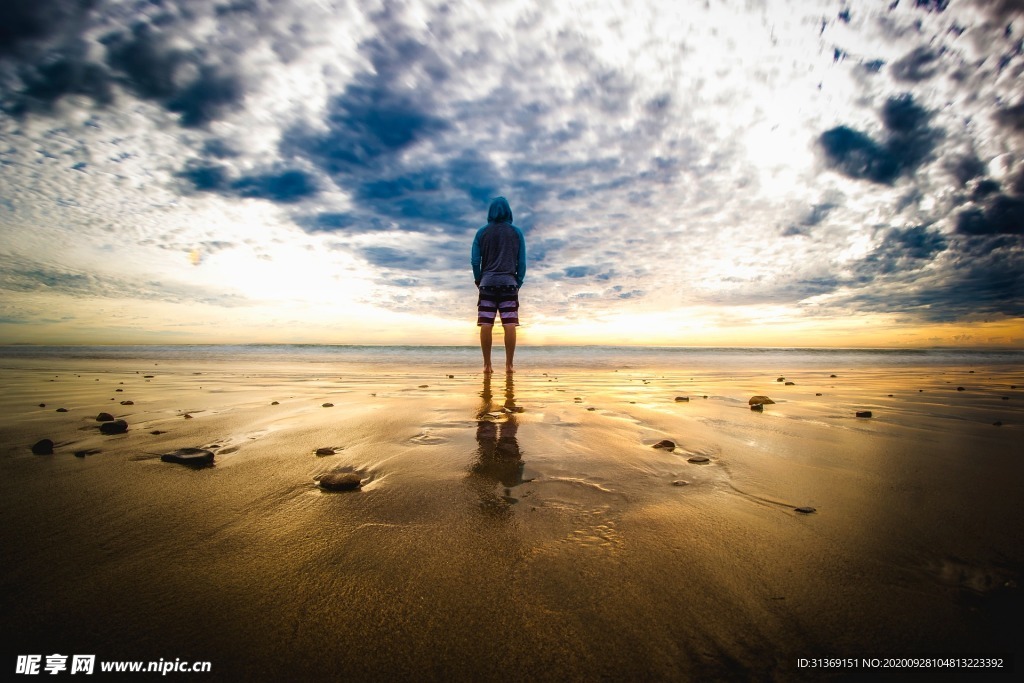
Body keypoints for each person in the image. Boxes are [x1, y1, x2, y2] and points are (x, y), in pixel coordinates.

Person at [471, 197, 526, 374]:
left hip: (487, 283)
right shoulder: (516, 233)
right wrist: (519, 281)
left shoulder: (481, 233)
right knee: (509, 324)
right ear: (509, 211)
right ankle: (509, 365)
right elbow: (522, 262)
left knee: (486, 324)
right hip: (509, 284)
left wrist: (479, 279)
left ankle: (487, 365)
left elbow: (474, 261)